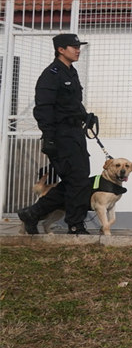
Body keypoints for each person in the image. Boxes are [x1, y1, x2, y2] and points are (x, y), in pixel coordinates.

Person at [17, 33, 97, 235]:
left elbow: (72, 103)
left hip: (74, 132)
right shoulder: (50, 75)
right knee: (77, 180)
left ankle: (33, 213)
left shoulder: (71, 72)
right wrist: (49, 136)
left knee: (77, 179)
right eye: (73, 47)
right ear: (61, 50)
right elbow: (43, 108)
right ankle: (75, 224)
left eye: (78, 46)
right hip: (60, 134)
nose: (77, 50)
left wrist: (85, 116)